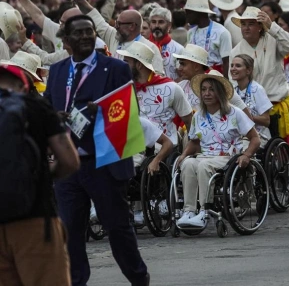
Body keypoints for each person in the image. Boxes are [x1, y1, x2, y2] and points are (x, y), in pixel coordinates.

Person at [44, 15, 149, 286]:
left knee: (117, 227)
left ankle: (138, 278)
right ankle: (77, 281)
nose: (86, 37)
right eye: (78, 34)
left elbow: (128, 110)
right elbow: (44, 110)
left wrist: (101, 111)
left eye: (89, 32)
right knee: (70, 231)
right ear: (65, 41)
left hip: (103, 162)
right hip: (68, 165)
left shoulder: (114, 68)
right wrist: (54, 117)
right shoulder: (56, 71)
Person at [0, 63, 79, 286]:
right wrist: (41, 176)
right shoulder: (36, 107)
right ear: (22, 85)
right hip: (35, 221)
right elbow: (70, 161)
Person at [174, 72, 261, 228]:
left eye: (211, 90)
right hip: (205, 155)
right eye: (204, 89)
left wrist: (247, 155)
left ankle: (204, 211)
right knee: (187, 164)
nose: (207, 93)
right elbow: (194, 142)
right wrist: (184, 154)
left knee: (202, 166)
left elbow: (255, 138)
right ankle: (189, 211)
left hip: (228, 156)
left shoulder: (235, 113)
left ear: (219, 93)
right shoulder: (198, 116)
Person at [70, 0, 165, 76]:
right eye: (116, 23)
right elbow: (95, 17)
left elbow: (159, 76)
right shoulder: (113, 36)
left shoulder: (150, 48)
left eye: (119, 24)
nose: (116, 27)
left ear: (132, 26)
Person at [229, 6, 289, 142]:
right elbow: (233, 83)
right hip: (249, 109)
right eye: (243, 24)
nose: (246, 28)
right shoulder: (236, 51)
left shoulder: (273, 40)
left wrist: (272, 27)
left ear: (260, 27)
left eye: (251, 24)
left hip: (276, 104)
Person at [117, 42, 193, 148]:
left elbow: (189, 120)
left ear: (139, 65)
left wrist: (189, 149)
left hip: (163, 146)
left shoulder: (171, 88)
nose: (123, 65)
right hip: (132, 142)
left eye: (126, 62)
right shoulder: (124, 89)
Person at [230, 54, 273, 146]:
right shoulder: (233, 90)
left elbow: (266, 120)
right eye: (232, 65)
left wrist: (244, 117)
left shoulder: (257, 89)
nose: (233, 68)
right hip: (238, 136)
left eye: (238, 66)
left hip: (259, 136)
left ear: (248, 70)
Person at [183, 0, 233, 73]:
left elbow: (227, 62)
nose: (186, 16)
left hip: (215, 78)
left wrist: (225, 83)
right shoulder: (190, 32)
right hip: (195, 77)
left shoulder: (221, 32)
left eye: (189, 13)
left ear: (199, 13)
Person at [148, 7, 185, 81]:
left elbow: (183, 76)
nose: (157, 26)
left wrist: (170, 86)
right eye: (153, 22)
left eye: (161, 22)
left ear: (169, 25)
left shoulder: (178, 49)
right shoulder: (144, 46)